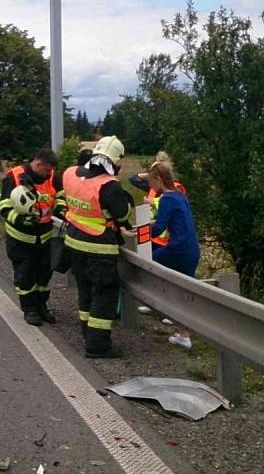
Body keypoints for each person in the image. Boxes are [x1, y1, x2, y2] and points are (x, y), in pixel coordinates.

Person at [63, 136, 134, 358]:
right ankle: (98, 345)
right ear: (115, 161)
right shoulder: (109, 185)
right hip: (100, 249)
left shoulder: (70, 173)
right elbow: (122, 215)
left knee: (85, 291)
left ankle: (88, 332)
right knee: (104, 295)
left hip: (74, 243)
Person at [0, 149, 67, 326]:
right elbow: (5, 209)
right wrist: (23, 221)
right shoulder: (14, 177)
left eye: (51, 171)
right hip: (20, 238)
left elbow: (60, 197)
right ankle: (29, 309)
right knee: (25, 275)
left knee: (44, 276)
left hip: (45, 236)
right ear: (37, 164)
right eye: (46, 170)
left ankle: (42, 305)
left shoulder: (52, 176)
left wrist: (61, 209)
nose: (49, 174)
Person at [147, 162, 201, 349]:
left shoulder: (167, 199)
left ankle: (155, 305)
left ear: (159, 179)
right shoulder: (180, 196)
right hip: (191, 249)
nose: (150, 187)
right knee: (184, 290)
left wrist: (137, 233)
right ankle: (184, 334)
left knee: (146, 265)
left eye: (151, 182)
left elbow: (159, 228)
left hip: (176, 249)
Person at [128, 151, 187, 248]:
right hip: (151, 234)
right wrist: (149, 175)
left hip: (165, 238)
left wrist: (152, 202)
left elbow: (175, 205)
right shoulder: (154, 185)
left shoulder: (176, 188)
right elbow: (133, 179)